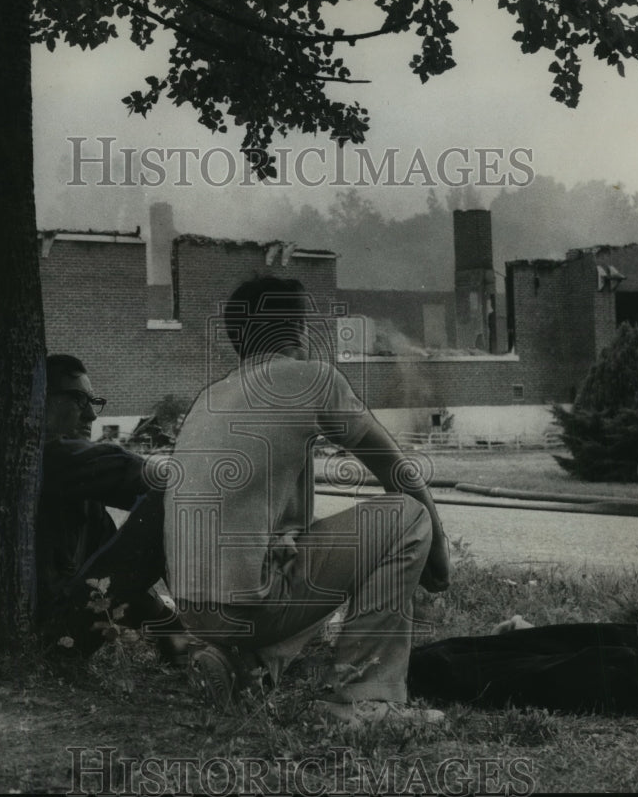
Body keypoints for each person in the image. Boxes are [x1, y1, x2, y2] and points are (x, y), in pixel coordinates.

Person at [163, 277, 452, 727]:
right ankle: (364, 699)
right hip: (247, 607)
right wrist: (438, 551)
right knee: (408, 517)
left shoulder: (210, 397)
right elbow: (398, 472)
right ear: (299, 330)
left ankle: (244, 664)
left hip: (193, 609)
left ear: (238, 339)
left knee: (297, 551)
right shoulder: (311, 379)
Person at [37, 354, 186, 663]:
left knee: (172, 504)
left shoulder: (79, 487)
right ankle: (217, 631)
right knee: (173, 501)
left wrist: (170, 627)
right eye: (79, 399)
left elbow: (118, 569)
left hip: (57, 626)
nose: (91, 415)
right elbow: (139, 474)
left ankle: (192, 636)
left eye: (94, 402)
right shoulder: (48, 456)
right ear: (40, 400)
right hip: (46, 636)